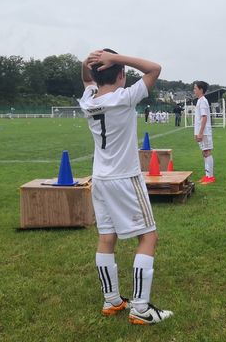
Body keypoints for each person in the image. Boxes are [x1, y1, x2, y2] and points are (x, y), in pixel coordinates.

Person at [79, 48, 172, 325]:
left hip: (101, 179)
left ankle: (112, 300)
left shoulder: (89, 100)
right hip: (125, 179)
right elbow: (154, 68)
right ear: (120, 73)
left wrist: (89, 63)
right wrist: (119, 58)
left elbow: (87, 81)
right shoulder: (125, 97)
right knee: (149, 237)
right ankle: (141, 309)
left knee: (107, 237)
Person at [193, 81, 215, 184]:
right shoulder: (199, 101)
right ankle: (207, 175)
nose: (194, 90)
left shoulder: (203, 101)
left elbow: (204, 118)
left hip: (205, 131)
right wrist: (196, 132)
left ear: (201, 90)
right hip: (201, 131)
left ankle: (210, 177)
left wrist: (200, 132)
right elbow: (198, 119)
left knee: (207, 152)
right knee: (204, 152)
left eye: (195, 88)